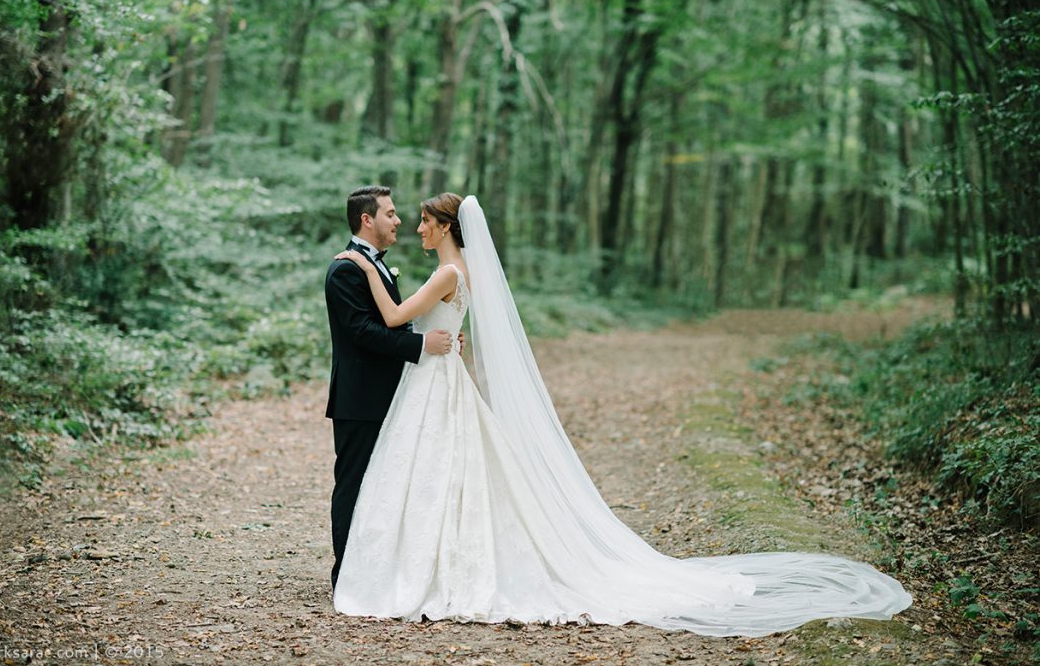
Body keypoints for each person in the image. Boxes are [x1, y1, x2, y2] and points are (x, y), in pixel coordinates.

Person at [331, 192, 913, 636]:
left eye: (426, 221)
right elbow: (431, 327)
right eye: (401, 217)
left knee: (436, 475)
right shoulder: (462, 273)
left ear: (447, 227)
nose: (415, 225)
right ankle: (423, 562)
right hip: (438, 380)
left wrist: (360, 269)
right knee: (444, 476)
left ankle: (417, 568)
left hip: (437, 384)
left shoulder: (446, 273)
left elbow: (391, 318)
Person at [323, 186, 456, 590]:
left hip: (391, 395)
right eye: (391, 214)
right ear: (368, 219)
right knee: (353, 483)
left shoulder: (377, 265)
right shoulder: (346, 268)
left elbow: (393, 322)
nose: (399, 222)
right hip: (359, 399)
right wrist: (421, 345)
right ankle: (344, 573)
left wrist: (442, 336)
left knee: (382, 483)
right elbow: (363, 332)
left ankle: (375, 569)